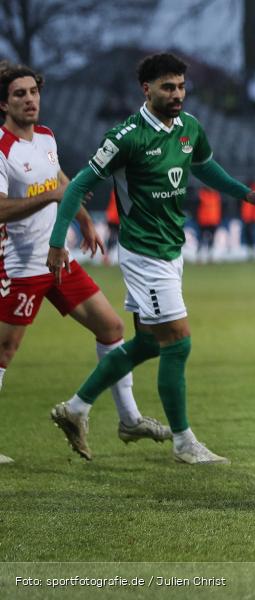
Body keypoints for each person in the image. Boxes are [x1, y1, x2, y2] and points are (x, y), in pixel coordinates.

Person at [46, 53, 255, 464]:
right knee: (178, 342)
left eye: (181, 86)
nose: (177, 94)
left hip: (171, 249)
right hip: (143, 253)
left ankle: (76, 408)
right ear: (146, 89)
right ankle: (184, 441)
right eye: (168, 87)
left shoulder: (189, 128)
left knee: (150, 342)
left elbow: (205, 168)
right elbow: (78, 185)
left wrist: (245, 194)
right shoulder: (126, 137)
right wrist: (58, 240)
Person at [0, 62, 170, 464]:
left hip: (57, 261)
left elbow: (61, 180)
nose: (30, 99)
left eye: (34, 92)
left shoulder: (45, 136)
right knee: (4, 352)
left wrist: (84, 220)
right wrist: (51, 198)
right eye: (20, 94)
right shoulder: (2, 149)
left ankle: (129, 420)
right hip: (20, 266)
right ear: (3, 103)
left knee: (111, 327)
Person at [195, 186, 221, 263]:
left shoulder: (216, 195)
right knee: (201, 238)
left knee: (212, 239)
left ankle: (210, 256)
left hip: (213, 221)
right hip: (203, 220)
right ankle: (199, 256)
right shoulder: (201, 195)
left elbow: (218, 208)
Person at [104, 190, 119, 266]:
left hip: (112, 216)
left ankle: (107, 255)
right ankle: (107, 256)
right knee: (113, 237)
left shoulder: (114, 190)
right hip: (115, 218)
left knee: (112, 236)